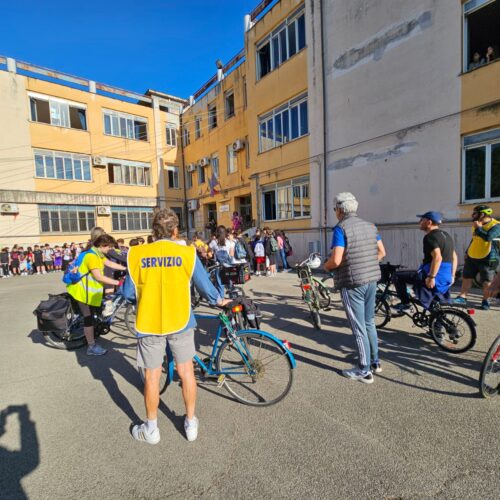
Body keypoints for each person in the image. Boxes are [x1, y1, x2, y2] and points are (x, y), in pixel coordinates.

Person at [127, 209, 230, 445]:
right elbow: (205, 287)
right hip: (181, 320)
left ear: (153, 231)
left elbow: (127, 292)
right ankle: (191, 423)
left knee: (151, 377)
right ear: (175, 230)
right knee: (187, 373)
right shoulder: (187, 253)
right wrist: (218, 300)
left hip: (149, 321)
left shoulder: (137, 254)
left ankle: (151, 429)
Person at [325, 192, 386, 384]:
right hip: (371, 280)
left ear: (341, 209)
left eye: (335, 209)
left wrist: (325, 266)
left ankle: (364, 370)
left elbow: (336, 260)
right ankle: (375, 361)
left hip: (352, 284)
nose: (335, 212)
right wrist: (366, 264)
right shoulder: (371, 226)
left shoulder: (340, 228)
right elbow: (382, 252)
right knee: (369, 323)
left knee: (358, 328)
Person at [66, 234, 126, 356]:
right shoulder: (92, 257)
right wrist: (118, 282)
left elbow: (109, 263)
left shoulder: (97, 254)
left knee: (96, 315)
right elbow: (99, 277)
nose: (110, 250)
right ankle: (91, 347)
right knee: (88, 318)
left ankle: (92, 335)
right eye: (109, 248)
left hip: (89, 293)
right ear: (102, 246)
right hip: (82, 292)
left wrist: (126, 268)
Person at [392, 211, 457, 311]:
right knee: (435, 305)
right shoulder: (446, 235)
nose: (419, 222)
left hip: (435, 276)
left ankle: (405, 303)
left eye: (422, 220)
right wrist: (452, 275)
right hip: (446, 276)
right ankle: (437, 324)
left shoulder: (429, 237)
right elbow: (454, 257)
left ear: (429, 222)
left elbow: (437, 257)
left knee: (396, 276)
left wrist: (431, 277)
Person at [454, 205, 500, 310]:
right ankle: (462, 297)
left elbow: (488, 237)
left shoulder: (496, 225)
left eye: (475, 213)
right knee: (467, 276)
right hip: (472, 256)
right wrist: (467, 251)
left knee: (486, 280)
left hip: (488, 257)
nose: (472, 215)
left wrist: (478, 228)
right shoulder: (477, 225)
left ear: (482, 214)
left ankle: (486, 301)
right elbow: (474, 239)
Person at [209, 225, 234, 296]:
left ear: (217, 232)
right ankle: (232, 297)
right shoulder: (229, 242)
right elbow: (232, 254)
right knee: (229, 282)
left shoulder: (214, 242)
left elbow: (210, 253)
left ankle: (222, 299)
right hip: (228, 266)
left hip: (218, 266)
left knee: (220, 283)